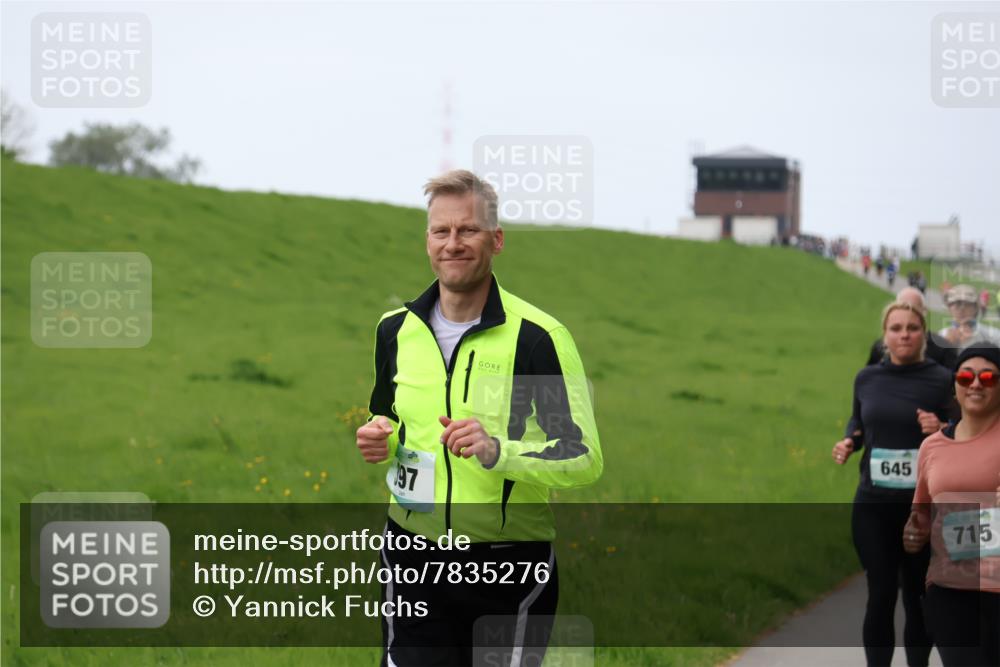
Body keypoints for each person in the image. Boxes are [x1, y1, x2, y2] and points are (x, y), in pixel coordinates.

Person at [356, 169, 603, 666]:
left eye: (468, 229)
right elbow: (389, 416)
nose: (453, 243)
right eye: (441, 231)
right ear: (427, 241)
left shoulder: (537, 338)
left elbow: (582, 457)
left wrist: (498, 451)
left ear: (497, 239)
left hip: (507, 566)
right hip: (412, 555)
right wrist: (381, 436)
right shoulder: (394, 331)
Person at [833, 301, 954, 667]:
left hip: (924, 508)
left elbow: (965, 430)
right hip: (873, 505)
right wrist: (849, 441)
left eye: (912, 328)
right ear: (884, 336)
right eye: (896, 328)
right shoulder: (866, 378)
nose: (904, 335)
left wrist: (941, 428)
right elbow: (858, 421)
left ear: (923, 335)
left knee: (918, 598)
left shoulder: (941, 379)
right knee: (881, 594)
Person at [903, 344, 1000, 666]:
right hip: (949, 588)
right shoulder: (931, 447)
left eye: (988, 377)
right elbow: (920, 515)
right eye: (966, 377)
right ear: (955, 384)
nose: (976, 384)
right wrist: (913, 535)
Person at [863, 288, 956, 370]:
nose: (908, 314)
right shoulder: (880, 347)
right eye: (903, 308)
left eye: (914, 309)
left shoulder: (944, 348)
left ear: (924, 312)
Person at [940, 284, 1000, 350]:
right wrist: (949, 345)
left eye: (967, 304)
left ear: (976, 308)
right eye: (957, 304)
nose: (962, 309)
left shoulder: (993, 335)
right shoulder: (942, 335)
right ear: (949, 309)